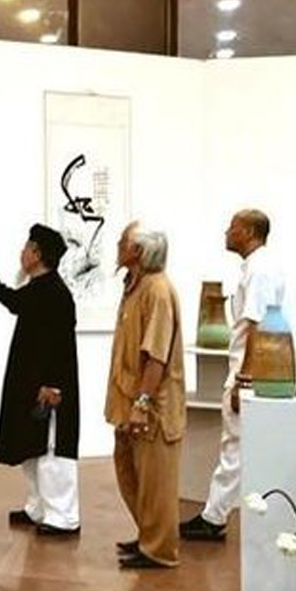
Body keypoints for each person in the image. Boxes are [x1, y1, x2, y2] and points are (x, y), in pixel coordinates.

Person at [0, 224, 81, 536]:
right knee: (32, 448)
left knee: (52, 452)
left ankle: (63, 516)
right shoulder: (40, 288)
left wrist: (54, 386)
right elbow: (13, 300)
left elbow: (61, 347)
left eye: (26, 247)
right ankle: (39, 507)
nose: (21, 252)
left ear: (38, 254)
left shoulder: (56, 294)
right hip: (32, 384)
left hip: (50, 389)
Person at [181, 209, 285, 542]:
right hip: (251, 367)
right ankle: (216, 513)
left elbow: (255, 324)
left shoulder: (259, 270)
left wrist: (244, 378)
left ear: (250, 232)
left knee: (235, 444)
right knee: (237, 445)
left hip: (249, 370)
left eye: (234, 227)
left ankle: (215, 517)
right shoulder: (257, 267)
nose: (227, 232)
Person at [106, 221, 186, 569]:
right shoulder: (135, 286)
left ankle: (159, 549)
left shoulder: (157, 290)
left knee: (156, 481)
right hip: (131, 399)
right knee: (130, 469)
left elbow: (156, 355)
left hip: (152, 404)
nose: (118, 244)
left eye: (123, 241)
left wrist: (142, 403)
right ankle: (147, 536)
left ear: (137, 251)